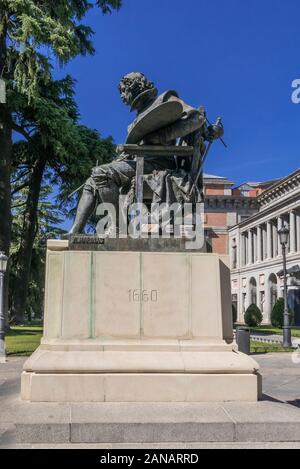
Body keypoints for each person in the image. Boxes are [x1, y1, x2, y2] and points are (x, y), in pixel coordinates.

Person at [67, 72, 223, 236]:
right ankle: (76, 231)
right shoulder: (135, 120)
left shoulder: (165, 99)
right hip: (138, 162)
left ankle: (119, 227)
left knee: (101, 174)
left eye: (123, 91)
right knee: (92, 181)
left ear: (135, 86)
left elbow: (197, 119)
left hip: (158, 164)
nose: (121, 97)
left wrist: (160, 137)